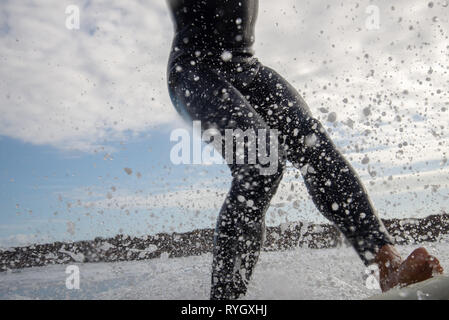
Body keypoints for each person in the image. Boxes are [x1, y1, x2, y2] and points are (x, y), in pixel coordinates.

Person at [165, 0, 443, 299]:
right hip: (197, 71)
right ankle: (224, 301)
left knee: (315, 147)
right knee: (262, 159)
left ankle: (386, 265)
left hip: (248, 67)